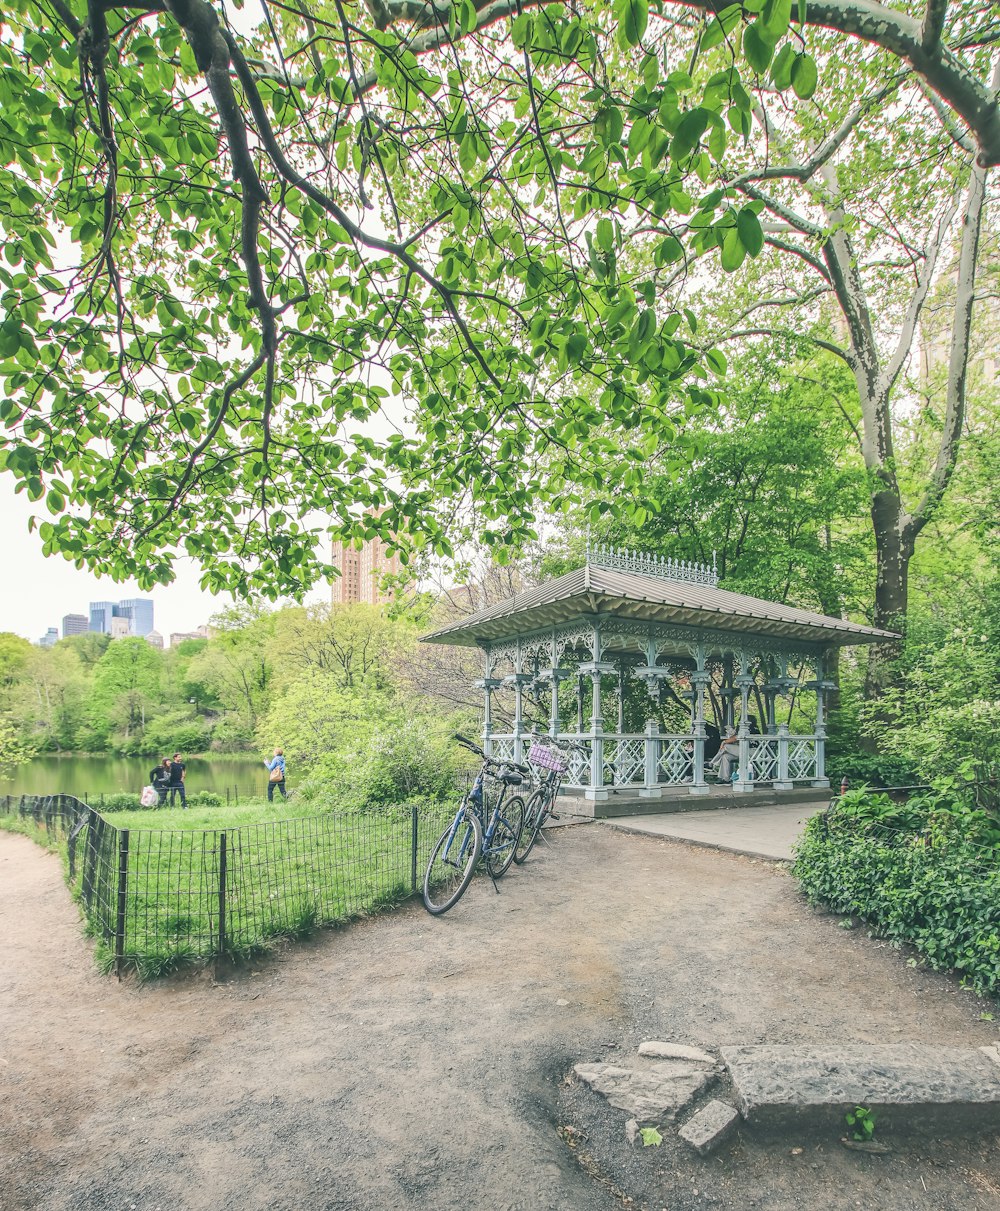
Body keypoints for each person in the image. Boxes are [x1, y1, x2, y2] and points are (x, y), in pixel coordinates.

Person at [709, 716, 760, 782]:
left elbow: (737, 738)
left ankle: (711, 763)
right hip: (744, 752)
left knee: (726, 746)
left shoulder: (751, 729)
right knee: (725, 756)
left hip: (753, 752)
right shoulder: (745, 730)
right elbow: (736, 739)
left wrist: (724, 741)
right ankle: (725, 778)